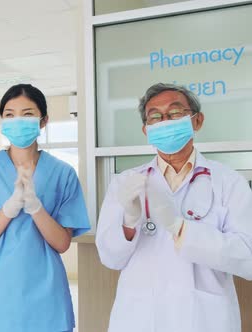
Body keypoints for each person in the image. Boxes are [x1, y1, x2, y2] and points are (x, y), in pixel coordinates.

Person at [96, 83, 252, 332]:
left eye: (175, 113)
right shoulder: (126, 183)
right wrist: (129, 223)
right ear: (146, 130)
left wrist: (181, 228)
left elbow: (248, 256)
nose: (165, 121)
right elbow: (110, 258)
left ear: (197, 120)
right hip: (140, 317)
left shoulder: (229, 182)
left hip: (203, 319)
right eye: (155, 116)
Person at [0, 84, 91, 332]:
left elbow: (62, 243)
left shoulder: (62, 173)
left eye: (28, 113)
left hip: (46, 296)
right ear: (2, 120)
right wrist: (8, 210)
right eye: (9, 114)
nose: (17, 120)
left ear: (43, 121)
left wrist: (36, 208)